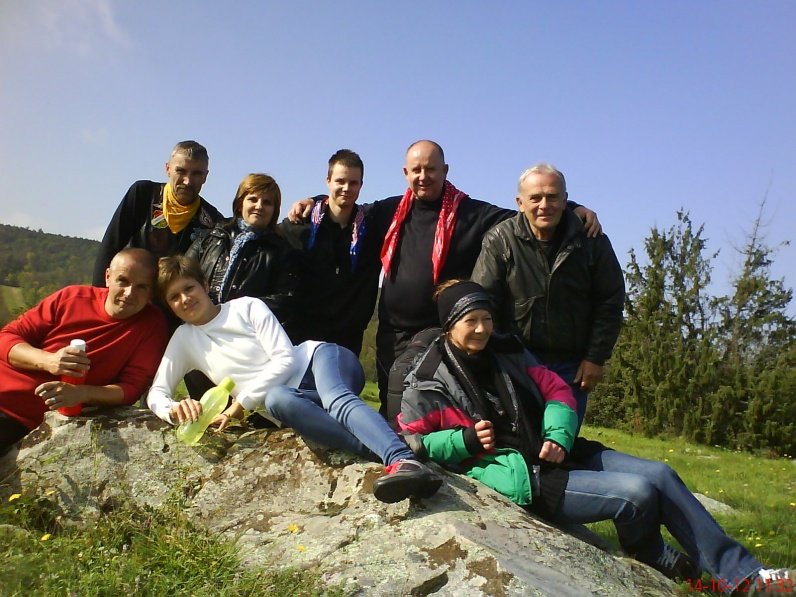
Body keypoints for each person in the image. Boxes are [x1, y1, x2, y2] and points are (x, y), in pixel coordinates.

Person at [398, 280, 792, 594]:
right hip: (520, 474)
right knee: (636, 494)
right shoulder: (428, 377)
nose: (483, 328)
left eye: (487, 318)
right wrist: (463, 441)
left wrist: (559, 435)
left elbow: (557, 390)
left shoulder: (507, 349)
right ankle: (652, 553)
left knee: (661, 474)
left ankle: (743, 577)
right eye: (471, 321)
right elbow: (413, 441)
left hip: (555, 450)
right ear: (450, 325)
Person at [289, 141, 602, 420]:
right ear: (406, 173)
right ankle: (392, 459)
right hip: (392, 333)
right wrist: (315, 201)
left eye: (431, 169)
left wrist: (571, 208)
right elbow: (346, 207)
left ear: (445, 170)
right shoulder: (389, 210)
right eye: (416, 170)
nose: (423, 176)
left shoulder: (470, 213)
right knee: (390, 406)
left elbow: (526, 213)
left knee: (430, 408)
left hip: (438, 333)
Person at [147, 255, 442, 504]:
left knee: (335, 400)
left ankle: (400, 457)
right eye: (174, 297)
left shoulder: (246, 307)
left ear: (205, 284)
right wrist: (174, 410)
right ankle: (403, 452)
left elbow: (285, 358)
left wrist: (241, 404)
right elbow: (156, 393)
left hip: (320, 360)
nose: (185, 299)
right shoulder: (184, 339)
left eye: (189, 288)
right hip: (294, 400)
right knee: (276, 399)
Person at [472, 163, 624, 429]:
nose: (544, 205)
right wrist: (491, 359)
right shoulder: (499, 240)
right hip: (516, 363)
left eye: (552, 197)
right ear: (520, 203)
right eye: (535, 198)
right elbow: (483, 302)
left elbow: (610, 303)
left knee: (560, 442)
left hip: (571, 368)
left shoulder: (592, 241)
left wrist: (595, 358)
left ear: (565, 201)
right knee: (519, 440)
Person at [0, 249, 168, 453]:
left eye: (142, 287)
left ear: (151, 292)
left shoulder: (151, 325)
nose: (129, 293)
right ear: (108, 277)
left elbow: (132, 388)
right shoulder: (72, 297)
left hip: (20, 419)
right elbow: (6, 338)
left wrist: (81, 393)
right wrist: (48, 360)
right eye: (122, 281)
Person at [279, 150, 382, 356]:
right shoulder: (301, 224)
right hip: (299, 339)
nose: (346, 188)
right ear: (328, 181)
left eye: (353, 183)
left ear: (361, 185)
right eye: (340, 181)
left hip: (347, 341)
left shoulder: (372, 229)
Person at [92, 140, 223, 288]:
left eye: (197, 174)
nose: (188, 181)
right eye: (181, 171)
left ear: (205, 176)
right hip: (132, 293)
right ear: (168, 169)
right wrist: (98, 294)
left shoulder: (212, 221)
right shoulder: (143, 195)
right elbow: (110, 246)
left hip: (175, 300)